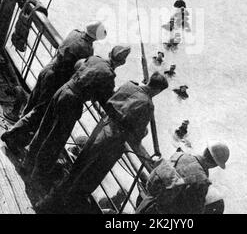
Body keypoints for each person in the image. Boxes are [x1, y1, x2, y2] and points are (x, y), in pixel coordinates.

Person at [37, 72, 169, 213]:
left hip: (102, 127)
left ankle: (45, 204)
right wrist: (145, 132)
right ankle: (58, 208)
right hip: (112, 143)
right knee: (89, 180)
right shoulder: (148, 106)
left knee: (76, 169)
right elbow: (136, 136)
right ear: (158, 90)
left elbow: (111, 101)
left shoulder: (129, 85)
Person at [23, 46, 131, 186]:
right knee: (55, 139)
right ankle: (38, 176)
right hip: (72, 102)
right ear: (122, 63)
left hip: (63, 90)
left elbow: (77, 65)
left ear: (109, 53)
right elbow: (108, 101)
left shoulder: (94, 58)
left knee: (44, 128)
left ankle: (27, 162)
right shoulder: (109, 76)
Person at [1, 21, 107, 154]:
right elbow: (79, 69)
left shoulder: (74, 33)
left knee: (33, 101)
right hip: (56, 79)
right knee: (40, 111)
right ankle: (12, 136)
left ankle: (17, 127)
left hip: (48, 69)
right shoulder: (87, 49)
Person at [136, 142, 230, 214]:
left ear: (205, 150)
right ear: (215, 165)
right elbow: (195, 211)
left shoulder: (180, 155)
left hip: (145, 204)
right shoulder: (202, 181)